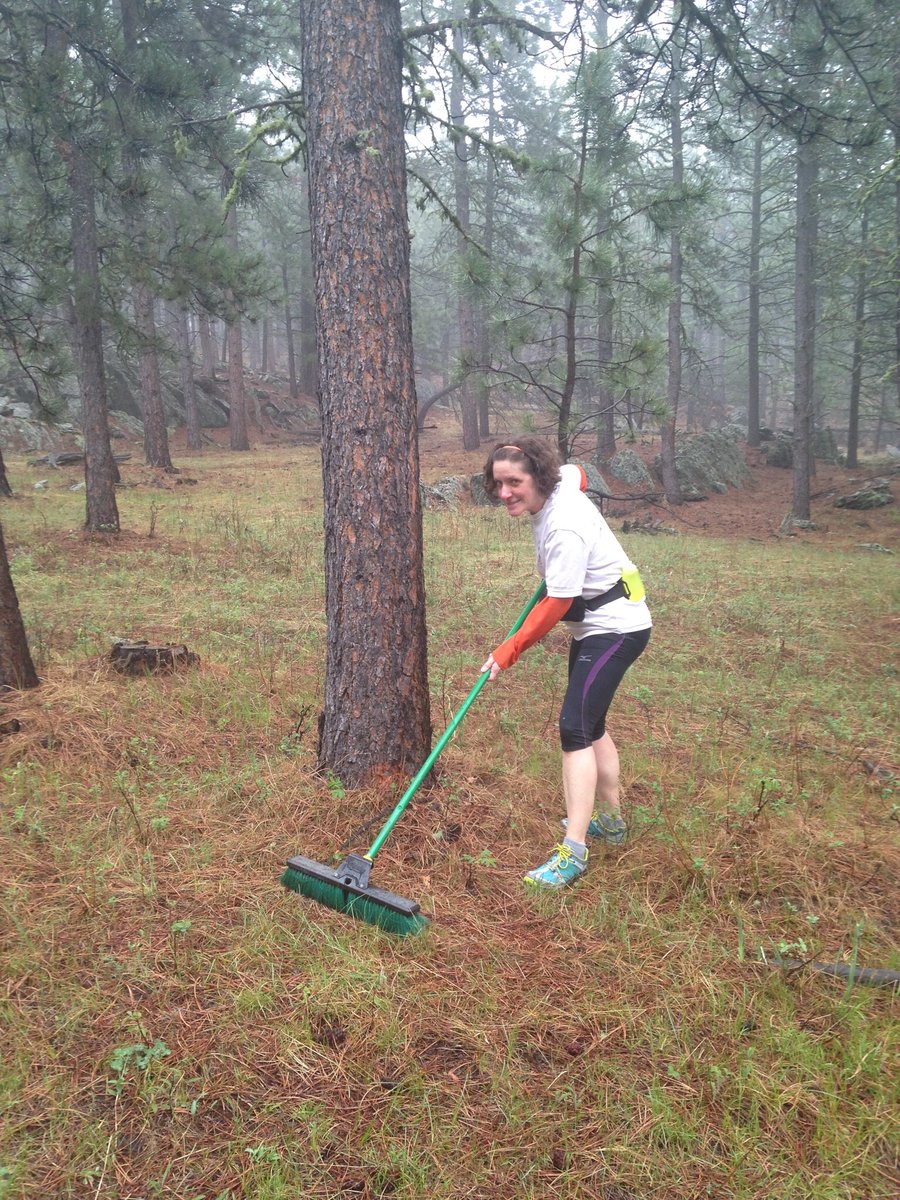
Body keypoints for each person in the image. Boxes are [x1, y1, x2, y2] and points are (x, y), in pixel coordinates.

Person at [479, 437, 652, 890]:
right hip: (598, 626)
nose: (505, 493)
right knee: (591, 726)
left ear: (538, 476)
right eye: (498, 483)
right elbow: (579, 473)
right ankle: (612, 823)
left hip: (614, 628)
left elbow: (558, 602)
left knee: (574, 729)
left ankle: (572, 854)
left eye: (514, 482)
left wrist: (508, 649)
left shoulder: (563, 530)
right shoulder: (564, 483)